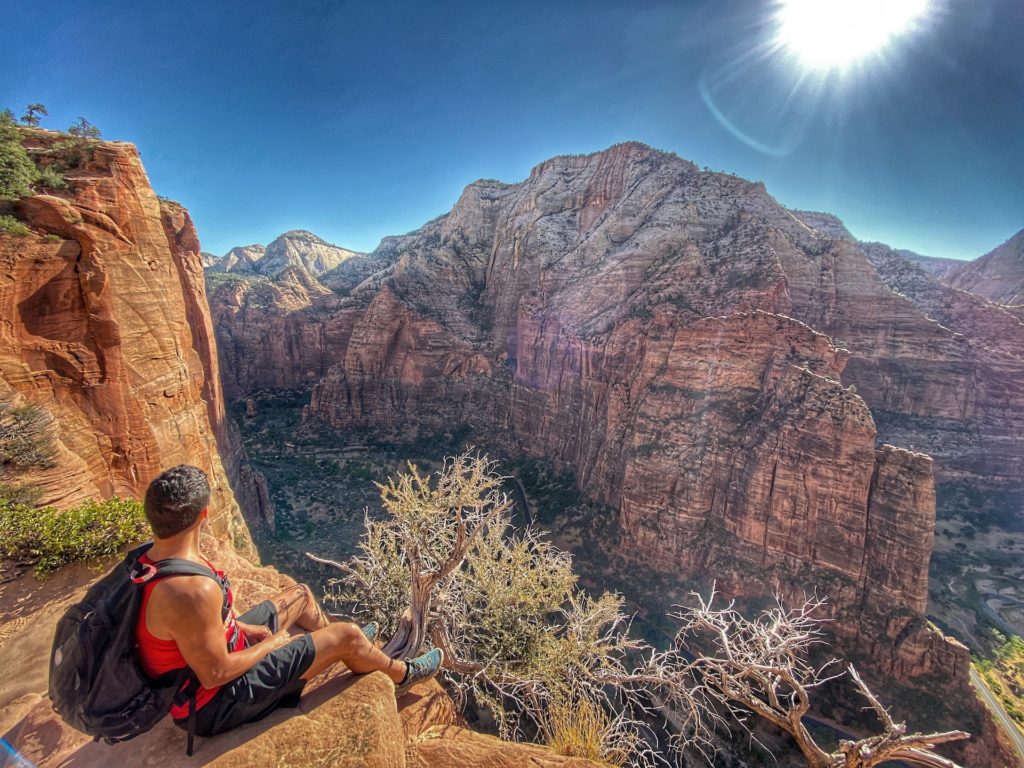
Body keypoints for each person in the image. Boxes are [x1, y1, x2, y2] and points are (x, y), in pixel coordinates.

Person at [135, 464, 442, 739]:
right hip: (213, 705)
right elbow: (215, 674)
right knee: (346, 634)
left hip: (217, 655)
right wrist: (270, 645)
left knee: (301, 597)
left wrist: (242, 627)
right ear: (203, 514)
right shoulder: (192, 590)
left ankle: (342, 651)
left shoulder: (153, 558)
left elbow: (194, 627)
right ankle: (402, 674)